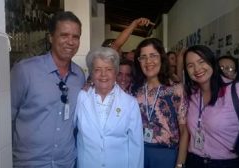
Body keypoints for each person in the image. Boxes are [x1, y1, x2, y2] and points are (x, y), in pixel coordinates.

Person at [10, 11, 85, 167]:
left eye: (75, 37)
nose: (70, 42)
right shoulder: (25, 70)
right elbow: (6, 118)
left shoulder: (79, 75)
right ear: (51, 37)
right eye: (64, 35)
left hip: (66, 162)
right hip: (30, 163)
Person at [182, 45, 239, 168]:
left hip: (225, 163)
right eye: (190, 65)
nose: (197, 69)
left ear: (212, 62)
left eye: (201, 62)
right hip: (193, 161)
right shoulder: (192, 95)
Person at [74, 47, 144, 168]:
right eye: (97, 70)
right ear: (91, 72)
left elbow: (136, 146)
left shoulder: (130, 103)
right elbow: (69, 130)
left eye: (108, 69)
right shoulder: (81, 97)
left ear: (115, 72)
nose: (103, 75)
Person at [133, 38, 189, 168]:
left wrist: (180, 165)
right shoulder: (135, 90)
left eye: (153, 56)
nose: (148, 62)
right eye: (143, 57)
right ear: (139, 62)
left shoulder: (175, 89)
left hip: (166, 154)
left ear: (162, 58)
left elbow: (184, 130)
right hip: (138, 152)